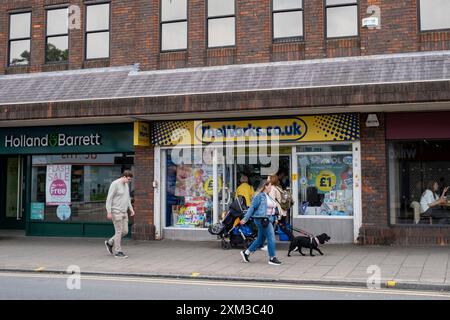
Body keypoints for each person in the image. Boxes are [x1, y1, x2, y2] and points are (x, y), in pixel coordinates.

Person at [239, 181, 282, 265]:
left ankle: (246, 253)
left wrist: (275, 218)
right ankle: (272, 258)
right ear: (265, 186)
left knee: (260, 240)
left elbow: (272, 208)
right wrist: (245, 219)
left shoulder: (268, 196)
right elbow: (252, 207)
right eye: (270, 186)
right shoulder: (259, 196)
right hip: (262, 220)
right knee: (271, 237)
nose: (271, 188)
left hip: (268, 220)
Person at [104, 170, 135, 259]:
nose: (129, 181)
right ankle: (118, 251)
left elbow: (127, 198)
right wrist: (109, 211)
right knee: (118, 231)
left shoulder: (126, 185)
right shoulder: (115, 184)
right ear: (124, 177)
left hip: (124, 212)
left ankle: (110, 242)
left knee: (125, 231)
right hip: (116, 211)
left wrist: (131, 209)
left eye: (130, 180)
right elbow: (109, 199)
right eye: (128, 179)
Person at [268, 174, 294, 241]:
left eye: (268, 178)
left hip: (277, 212)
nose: (267, 179)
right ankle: (293, 240)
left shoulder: (272, 189)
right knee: (283, 227)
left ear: (271, 180)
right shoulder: (278, 187)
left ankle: (267, 244)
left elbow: (271, 201)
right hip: (282, 212)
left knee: (269, 227)